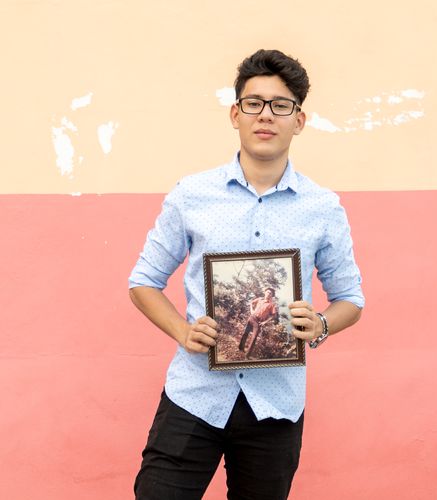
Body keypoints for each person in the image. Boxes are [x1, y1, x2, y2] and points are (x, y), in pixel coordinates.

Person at [129, 49, 365, 500]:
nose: (266, 116)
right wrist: (182, 331)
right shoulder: (191, 195)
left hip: (276, 402)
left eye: (282, 105)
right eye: (254, 103)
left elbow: (350, 297)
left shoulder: (323, 207)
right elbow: (143, 281)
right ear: (235, 114)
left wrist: (321, 325)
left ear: (299, 120)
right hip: (194, 393)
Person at [238, 287, 279, 354]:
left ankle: (247, 355)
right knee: (245, 333)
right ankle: (241, 348)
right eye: (268, 292)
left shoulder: (272, 305)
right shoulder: (260, 299)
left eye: (270, 293)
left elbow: (273, 316)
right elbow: (251, 303)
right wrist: (252, 310)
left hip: (258, 322)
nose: (269, 294)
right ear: (265, 292)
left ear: (272, 295)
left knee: (254, 338)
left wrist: (264, 322)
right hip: (252, 318)